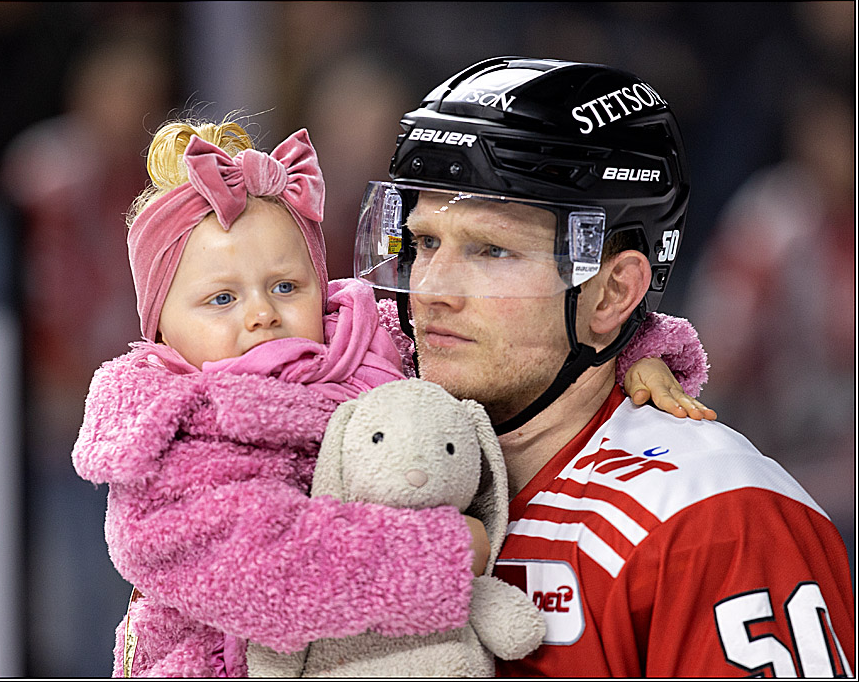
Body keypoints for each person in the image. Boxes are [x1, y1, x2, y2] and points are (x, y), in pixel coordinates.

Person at [71, 116, 711, 677]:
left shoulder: (362, 344)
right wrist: (440, 553)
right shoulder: (168, 433)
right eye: (221, 299)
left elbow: (495, 342)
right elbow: (262, 567)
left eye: (287, 286)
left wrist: (638, 354)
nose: (261, 314)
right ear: (158, 329)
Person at [352, 56, 854, 677]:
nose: (430, 289)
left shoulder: (716, 520)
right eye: (425, 243)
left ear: (614, 293)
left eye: (491, 250)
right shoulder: (360, 466)